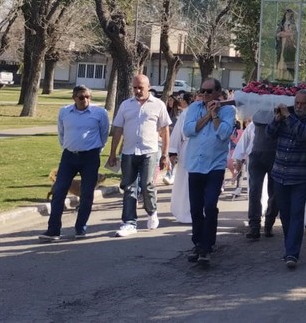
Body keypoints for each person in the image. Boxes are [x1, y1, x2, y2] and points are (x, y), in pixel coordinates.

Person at [38, 85, 110, 241]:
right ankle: (53, 230)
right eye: (81, 97)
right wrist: (69, 146)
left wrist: (96, 149)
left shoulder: (100, 113)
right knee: (59, 191)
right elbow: (61, 132)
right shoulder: (65, 112)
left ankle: (80, 228)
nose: (85, 100)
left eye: (88, 97)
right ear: (74, 98)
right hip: (69, 156)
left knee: (86, 194)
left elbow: (104, 134)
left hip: (90, 157)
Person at [107, 74, 171, 238]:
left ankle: (152, 211)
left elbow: (164, 131)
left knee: (147, 184)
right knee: (129, 187)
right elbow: (118, 130)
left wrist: (165, 154)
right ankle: (129, 222)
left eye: (140, 87)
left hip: (149, 151)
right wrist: (113, 153)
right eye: (134, 87)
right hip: (128, 152)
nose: (137, 90)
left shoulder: (158, 105)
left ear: (148, 87)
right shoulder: (125, 105)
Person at [182, 78, 237, 265]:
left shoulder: (228, 111)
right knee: (196, 208)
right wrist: (206, 115)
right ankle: (197, 243)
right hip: (196, 165)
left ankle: (207, 246)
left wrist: (215, 116)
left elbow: (223, 134)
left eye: (208, 91)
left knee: (210, 206)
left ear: (218, 92)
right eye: (202, 91)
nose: (204, 95)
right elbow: (188, 130)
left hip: (215, 165)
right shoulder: (194, 108)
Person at [269, 89, 306, 269]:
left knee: (296, 214)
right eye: (297, 103)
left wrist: (288, 117)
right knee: (285, 214)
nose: (299, 107)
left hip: (300, 176)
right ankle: (289, 247)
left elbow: (305, 134)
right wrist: (277, 120)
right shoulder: (285, 118)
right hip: (280, 174)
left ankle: (292, 253)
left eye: (303, 104)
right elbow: (269, 134)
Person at [244, 106, 280, 240]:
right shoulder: (260, 111)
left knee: (274, 192)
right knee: (255, 191)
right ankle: (255, 225)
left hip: (272, 155)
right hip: (258, 154)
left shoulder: (278, 110)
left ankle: (268, 223)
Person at [167, 91, 196, 224]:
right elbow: (178, 132)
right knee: (185, 181)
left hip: (202, 151)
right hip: (187, 148)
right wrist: (173, 152)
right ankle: (184, 211)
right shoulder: (186, 113)